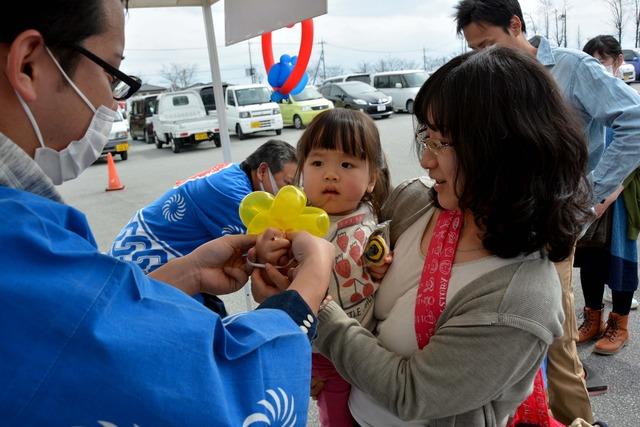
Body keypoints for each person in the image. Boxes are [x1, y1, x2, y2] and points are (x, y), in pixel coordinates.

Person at [0, 0, 335, 424]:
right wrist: (309, 284)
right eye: (110, 74)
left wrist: (190, 272)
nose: (115, 104)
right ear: (29, 64)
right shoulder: (17, 243)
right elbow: (229, 395)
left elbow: (94, 324)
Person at [253, 46, 592, 426]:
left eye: (442, 143)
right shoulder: (416, 202)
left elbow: (412, 393)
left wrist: (312, 307)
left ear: (502, 150)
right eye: (426, 138)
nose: (426, 159)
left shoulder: (521, 298)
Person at [454, 1, 640, 423]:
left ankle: (579, 420)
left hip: (553, 223)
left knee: (553, 337)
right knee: (510, 331)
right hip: (504, 222)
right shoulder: (494, 82)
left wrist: (591, 196)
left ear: (515, 25)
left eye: (487, 44)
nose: (484, 58)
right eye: (474, 51)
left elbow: (635, 121)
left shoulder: (573, 69)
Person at [255, 108, 391, 427]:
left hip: (368, 346)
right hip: (321, 353)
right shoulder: (293, 223)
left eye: (346, 164)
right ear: (302, 172)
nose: (330, 174)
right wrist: (264, 252)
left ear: (371, 178)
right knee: (338, 417)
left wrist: (380, 267)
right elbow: (265, 280)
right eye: (318, 163)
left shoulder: (374, 217)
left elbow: (376, 268)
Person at [109, 139, 296, 315]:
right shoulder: (234, 196)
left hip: (146, 251)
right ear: (262, 171)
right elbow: (273, 244)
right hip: (142, 261)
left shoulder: (235, 174)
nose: (293, 192)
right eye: (288, 184)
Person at [576, 35, 639, 355]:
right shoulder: (588, 100)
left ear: (616, 63)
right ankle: (592, 319)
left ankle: (620, 324)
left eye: (602, 61)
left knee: (621, 260)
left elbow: (633, 151)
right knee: (590, 259)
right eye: (591, 61)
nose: (597, 68)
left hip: (619, 197)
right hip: (590, 191)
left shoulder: (627, 98)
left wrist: (610, 194)